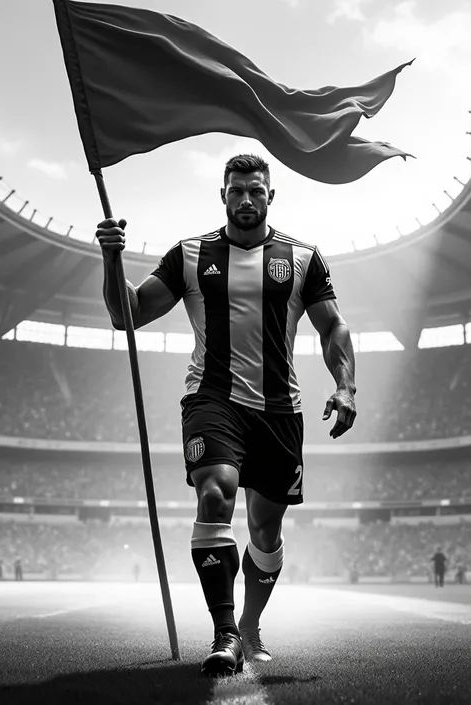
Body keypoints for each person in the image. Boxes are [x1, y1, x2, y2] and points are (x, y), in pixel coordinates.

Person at [96, 154, 356, 677]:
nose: (245, 200)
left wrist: (346, 386)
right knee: (215, 492)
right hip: (212, 399)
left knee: (265, 530)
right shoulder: (190, 255)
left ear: (270, 196)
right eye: (235, 190)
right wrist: (111, 258)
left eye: (255, 191)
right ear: (222, 195)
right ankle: (226, 633)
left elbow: (334, 329)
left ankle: (252, 624)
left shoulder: (302, 257)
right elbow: (129, 314)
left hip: (280, 409)